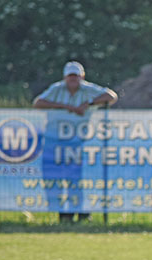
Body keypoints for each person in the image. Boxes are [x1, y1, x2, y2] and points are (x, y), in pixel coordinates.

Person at [33, 60, 118, 222]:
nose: (73, 80)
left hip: (76, 142)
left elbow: (112, 96)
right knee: (53, 177)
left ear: (82, 77)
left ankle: (81, 212)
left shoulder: (88, 89)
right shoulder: (57, 89)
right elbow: (38, 103)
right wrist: (67, 108)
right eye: (70, 77)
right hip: (54, 141)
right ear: (65, 78)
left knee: (75, 178)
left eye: (76, 77)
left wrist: (90, 103)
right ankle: (62, 213)